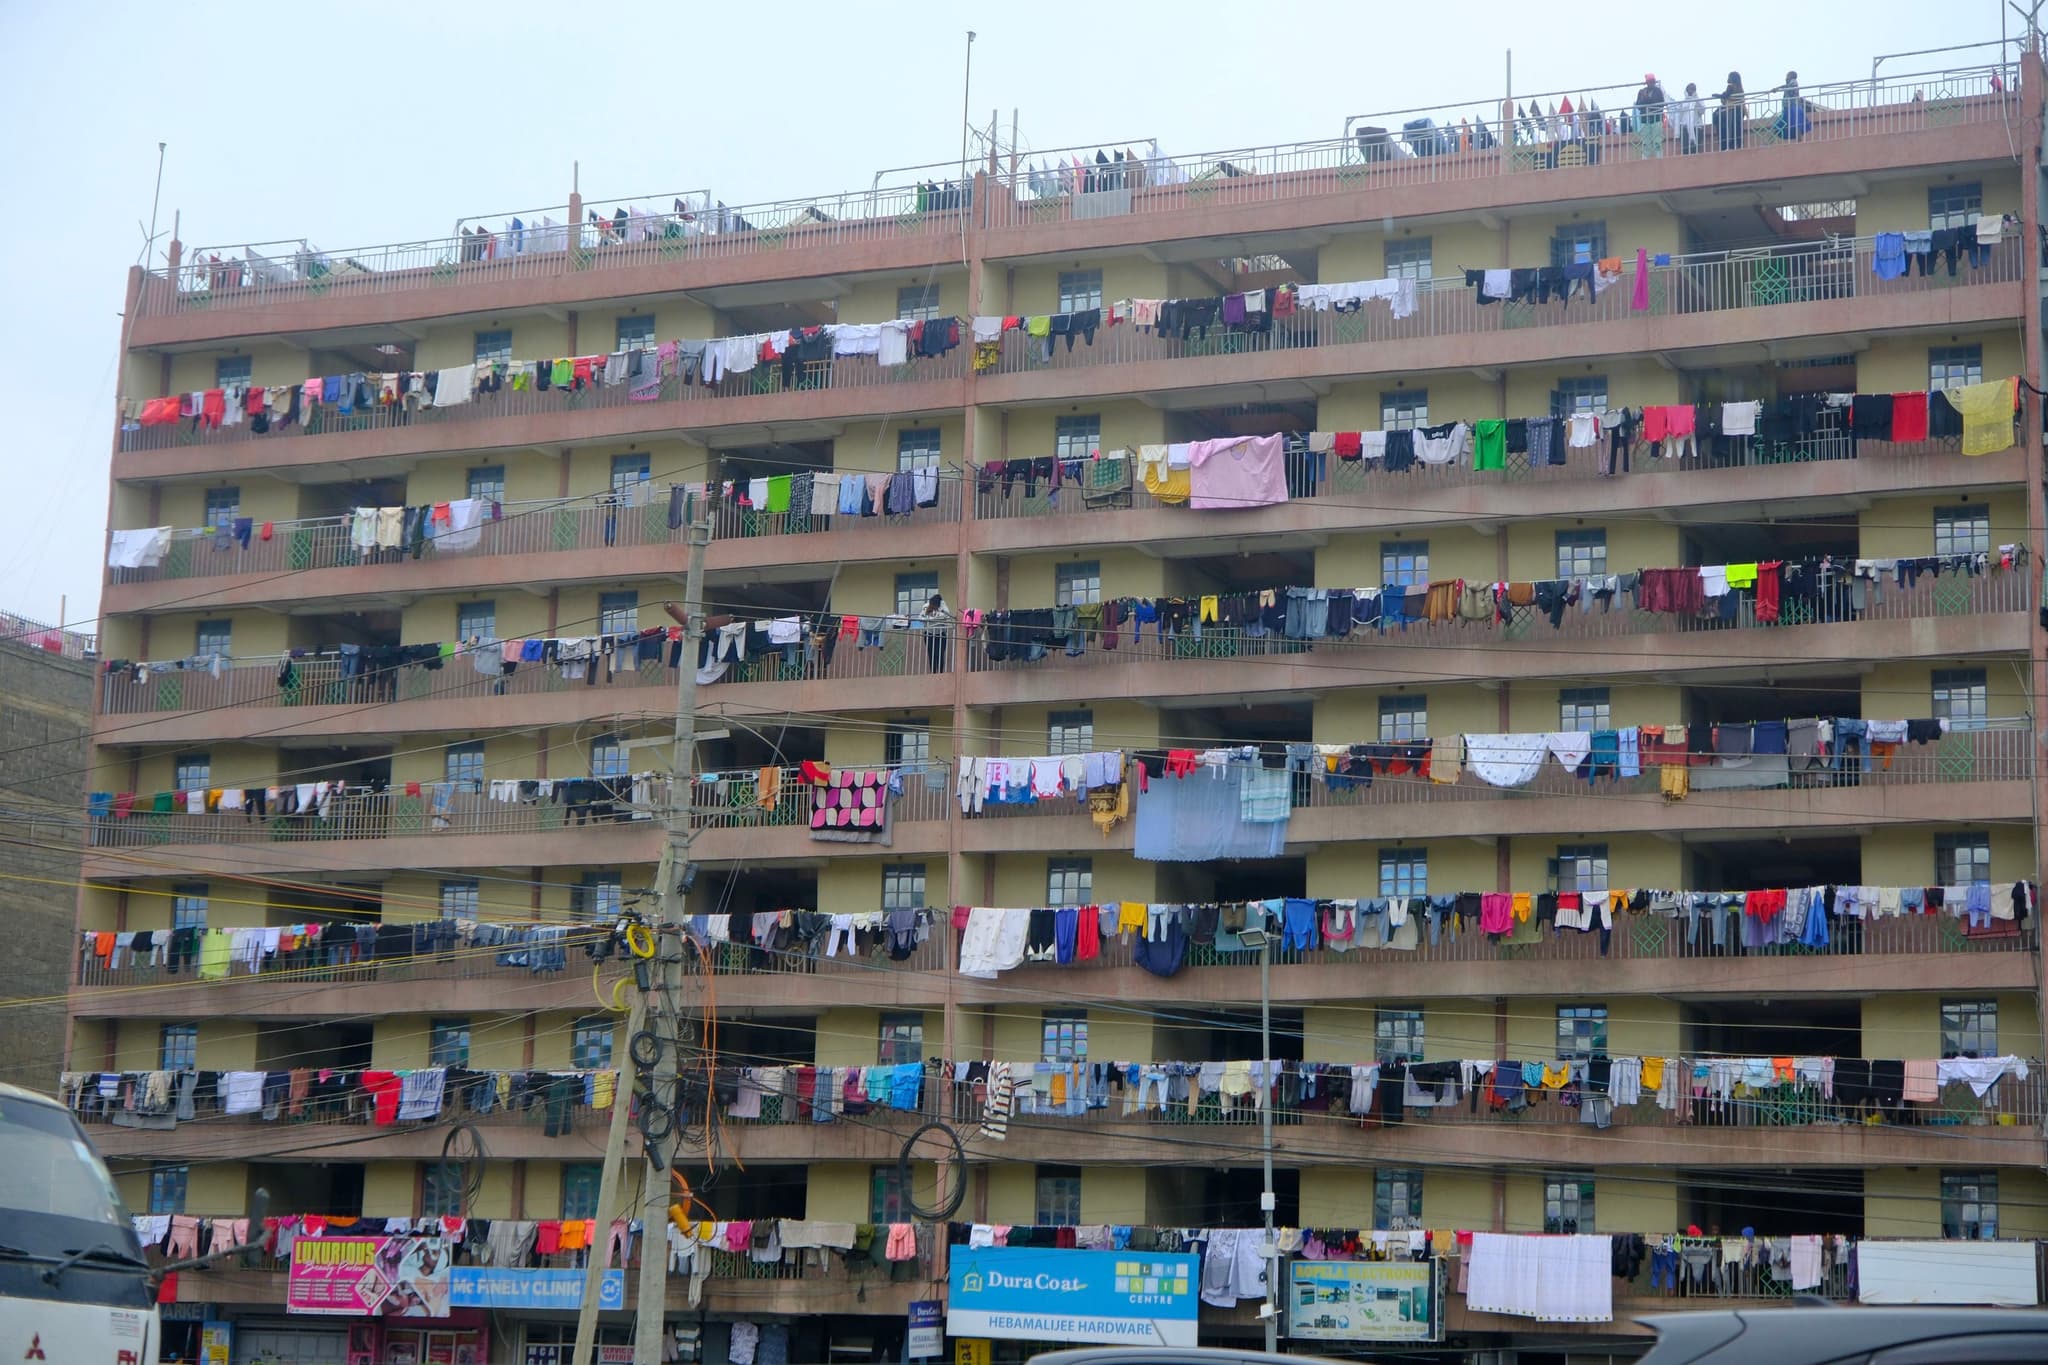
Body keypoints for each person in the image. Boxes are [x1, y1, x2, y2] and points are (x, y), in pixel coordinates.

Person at [921, 593, 952, 674]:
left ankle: (940, 673)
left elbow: (947, 615)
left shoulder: (942, 606)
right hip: (929, 634)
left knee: (940, 654)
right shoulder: (926, 606)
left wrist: (934, 617)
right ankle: (933, 673)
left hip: (941, 634)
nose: (933, 606)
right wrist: (931, 617)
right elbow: (920, 617)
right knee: (931, 655)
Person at [1715, 72, 1747, 150]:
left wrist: (1717, 95)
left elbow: (1726, 95)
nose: (1728, 78)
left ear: (1732, 78)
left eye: (1729, 77)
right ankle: (1738, 145)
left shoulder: (1730, 86)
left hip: (1732, 110)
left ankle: (1729, 145)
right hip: (1739, 111)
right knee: (1737, 128)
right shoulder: (1740, 88)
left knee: (1730, 128)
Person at [1776, 70, 1810, 140]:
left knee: (1796, 123)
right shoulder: (1791, 83)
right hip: (1789, 106)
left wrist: (1777, 88)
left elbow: (1788, 86)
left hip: (1793, 106)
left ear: (1791, 76)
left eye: (1787, 76)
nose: (1786, 78)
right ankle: (1796, 138)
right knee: (1790, 123)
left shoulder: (1794, 81)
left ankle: (1799, 139)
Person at [1673, 82, 1705, 155]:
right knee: (1685, 151)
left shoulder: (1699, 100)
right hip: (1685, 128)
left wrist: (1696, 100)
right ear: (1687, 90)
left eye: (1693, 89)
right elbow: (1678, 116)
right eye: (1690, 89)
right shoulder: (1683, 102)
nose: (1692, 90)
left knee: (1695, 150)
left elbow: (1702, 110)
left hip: (1696, 127)